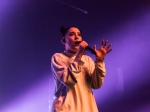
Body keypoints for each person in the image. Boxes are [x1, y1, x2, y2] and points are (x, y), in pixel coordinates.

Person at [51, 26, 112, 112]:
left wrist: (99, 60)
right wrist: (79, 54)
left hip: (86, 108)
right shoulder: (58, 58)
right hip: (66, 109)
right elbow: (69, 80)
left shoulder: (87, 59)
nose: (76, 37)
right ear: (64, 40)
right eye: (72, 34)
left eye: (79, 35)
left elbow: (96, 84)